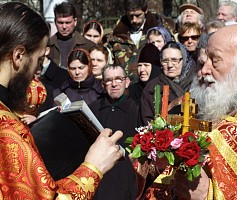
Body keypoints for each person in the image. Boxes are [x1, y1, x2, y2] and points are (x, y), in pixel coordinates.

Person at [0, 2, 124, 199]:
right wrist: (94, 167)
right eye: (38, 60)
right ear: (18, 56)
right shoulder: (7, 132)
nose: (36, 71)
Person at [174, 24, 237, 199]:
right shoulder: (213, 110)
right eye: (205, 61)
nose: (204, 70)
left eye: (215, 60)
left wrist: (208, 194)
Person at [89, 65, 138, 200]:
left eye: (118, 79)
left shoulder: (136, 111)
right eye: (109, 80)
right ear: (103, 84)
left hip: (124, 179)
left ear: (127, 82)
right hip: (98, 178)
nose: (114, 84)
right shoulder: (92, 109)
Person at [139, 41, 196, 125]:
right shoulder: (151, 88)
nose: (169, 65)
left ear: (184, 60)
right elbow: (146, 123)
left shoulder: (197, 84)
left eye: (174, 60)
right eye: (165, 61)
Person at [108, 0, 164, 83]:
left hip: (152, 86)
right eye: (131, 16)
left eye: (138, 15)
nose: (134, 20)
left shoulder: (159, 31)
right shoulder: (116, 35)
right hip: (124, 88)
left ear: (145, 11)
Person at [48, 2, 95, 69]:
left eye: (68, 22)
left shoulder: (88, 46)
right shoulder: (48, 45)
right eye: (60, 23)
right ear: (55, 22)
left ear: (75, 22)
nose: (64, 26)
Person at [129, 43, 162, 107]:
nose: (141, 69)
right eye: (139, 65)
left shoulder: (164, 90)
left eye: (146, 65)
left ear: (155, 68)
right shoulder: (131, 92)